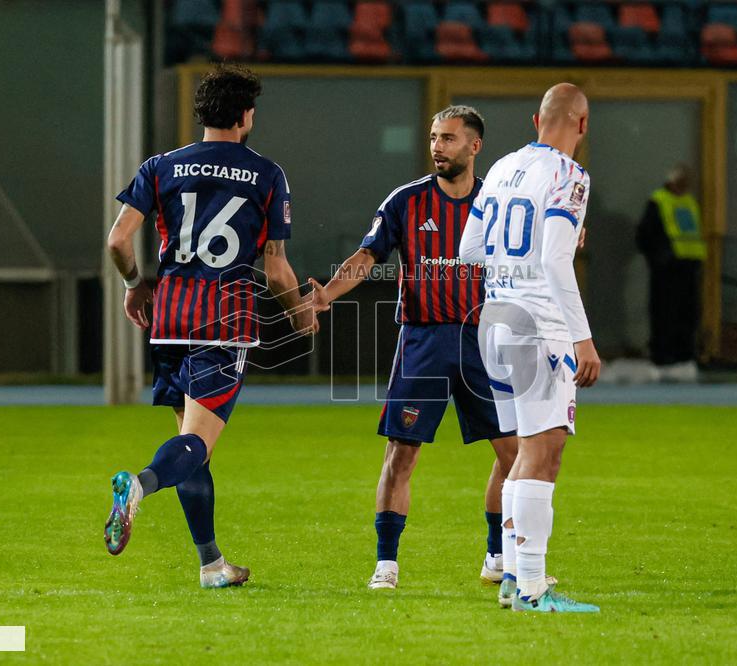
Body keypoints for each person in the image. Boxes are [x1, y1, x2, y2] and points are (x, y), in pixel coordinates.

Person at [103, 64, 316, 588]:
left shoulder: (161, 166)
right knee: (195, 445)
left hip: (170, 318)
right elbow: (275, 267)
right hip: (225, 320)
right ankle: (139, 485)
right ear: (246, 116)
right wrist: (299, 311)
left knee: (190, 444)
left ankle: (212, 564)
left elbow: (117, 242)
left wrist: (135, 284)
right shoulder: (267, 174)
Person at [310, 106, 519, 590]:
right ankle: (386, 564)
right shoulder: (407, 201)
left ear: (474, 146)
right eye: (432, 137)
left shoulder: (498, 202)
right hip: (423, 342)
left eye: (447, 138)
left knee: (513, 454)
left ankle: (496, 553)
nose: (437, 147)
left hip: (483, 343)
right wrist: (327, 295)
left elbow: (529, 251)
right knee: (401, 455)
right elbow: (368, 256)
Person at [459, 83, 602, 612]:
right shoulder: (570, 175)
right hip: (538, 325)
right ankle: (533, 590)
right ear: (582, 125)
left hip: (494, 319)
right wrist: (583, 338)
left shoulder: (499, 168)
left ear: (534, 119)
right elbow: (553, 263)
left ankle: (516, 580)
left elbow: (469, 249)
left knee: (525, 452)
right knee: (544, 454)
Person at [636, 164, 706, 379]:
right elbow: (645, 236)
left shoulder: (689, 202)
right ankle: (664, 358)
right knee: (665, 314)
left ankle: (684, 357)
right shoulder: (658, 201)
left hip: (688, 268)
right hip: (667, 271)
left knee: (688, 315)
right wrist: (660, 259)